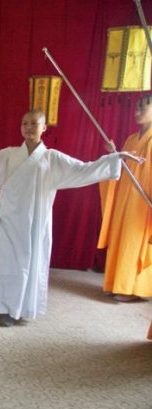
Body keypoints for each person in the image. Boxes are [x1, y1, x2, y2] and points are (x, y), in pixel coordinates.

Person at [0, 109, 142, 326]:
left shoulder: (51, 158)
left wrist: (114, 158)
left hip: (35, 221)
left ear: (44, 128)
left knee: (27, 262)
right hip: (10, 218)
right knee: (7, 263)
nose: (29, 128)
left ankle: (18, 310)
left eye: (34, 124)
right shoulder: (10, 155)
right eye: (25, 123)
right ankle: (2, 304)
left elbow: (83, 170)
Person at [97, 94, 152, 303]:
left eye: (143, 108)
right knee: (120, 238)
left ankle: (131, 289)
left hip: (142, 202)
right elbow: (121, 168)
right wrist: (114, 153)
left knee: (133, 241)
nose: (137, 112)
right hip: (124, 197)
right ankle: (115, 283)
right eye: (136, 108)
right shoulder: (131, 139)